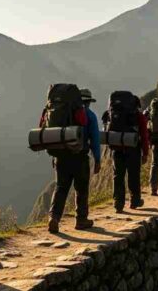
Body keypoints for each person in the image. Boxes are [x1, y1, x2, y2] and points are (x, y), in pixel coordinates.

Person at [47, 88, 101, 233]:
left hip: (60, 157)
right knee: (81, 189)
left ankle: (54, 218)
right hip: (80, 158)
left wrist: (55, 156)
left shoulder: (61, 113)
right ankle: (81, 220)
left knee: (60, 188)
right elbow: (95, 140)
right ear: (88, 102)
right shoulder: (90, 115)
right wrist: (97, 160)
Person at [105, 93, 149, 213]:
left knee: (118, 176)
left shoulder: (112, 114)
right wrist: (145, 153)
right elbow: (144, 136)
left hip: (117, 149)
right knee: (133, 175)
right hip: (133, 150)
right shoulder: (138, 116)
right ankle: (134, 201)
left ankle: (118, 203)